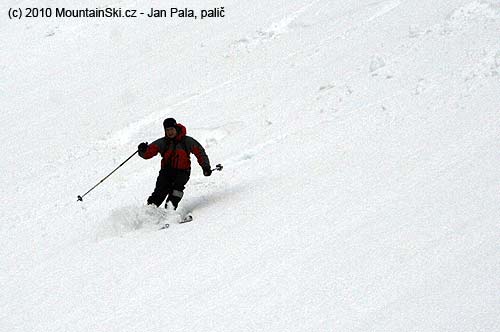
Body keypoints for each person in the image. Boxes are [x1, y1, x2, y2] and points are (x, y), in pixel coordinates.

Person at [137, 118, 211, 209]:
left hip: (182, 172)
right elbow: (147, 154)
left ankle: (169, 212)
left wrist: (205, 167)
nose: (170, 132)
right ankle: (148, 213)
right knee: (159, 193)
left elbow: (200, 152)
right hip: (166, 172)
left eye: (171, 129)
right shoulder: (163, 142)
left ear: (176, 128)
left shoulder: (187, 141)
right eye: (167, 130)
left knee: (176, 192)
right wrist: (143, 150)